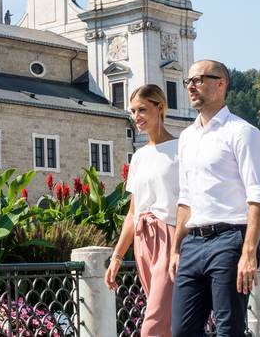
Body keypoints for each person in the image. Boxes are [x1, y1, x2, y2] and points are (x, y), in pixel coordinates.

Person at [170, 60, 260, 337]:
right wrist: (176, 249)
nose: (191, 86)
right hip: (193, 243)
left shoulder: (242, 132)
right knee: (182, 331)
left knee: (229, 330)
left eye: (198, 79)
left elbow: (258, 197)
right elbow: (185, 198)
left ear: (221, 83)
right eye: (188, 81)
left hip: (229, 241)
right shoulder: (187, 137)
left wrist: (249, 253)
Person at [105, 85, 178, 337]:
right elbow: (132, 212)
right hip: (142, 240)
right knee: (166, 321)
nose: (136, 116)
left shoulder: (182, 149)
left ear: (160, 108)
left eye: (142, 110)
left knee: (153, 326)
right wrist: (116, 257)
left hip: (171, 238)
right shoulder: (139, 156)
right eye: (133, 111)